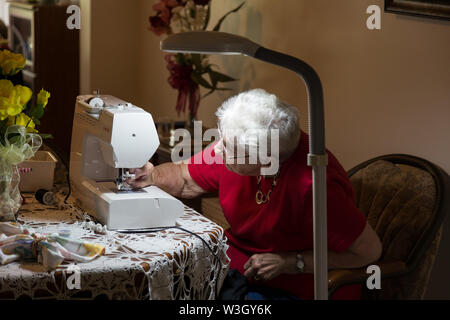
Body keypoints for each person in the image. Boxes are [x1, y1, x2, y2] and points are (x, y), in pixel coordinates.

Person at [127, 89, 382, 300]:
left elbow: (369, 250)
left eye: (227, 147)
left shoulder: (314, 187)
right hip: (240, 267)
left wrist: (291, 262)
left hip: (296, 285)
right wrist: (151, 176)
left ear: (265, 160)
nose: (216, 150)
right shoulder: (241, 146)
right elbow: (184, 177)